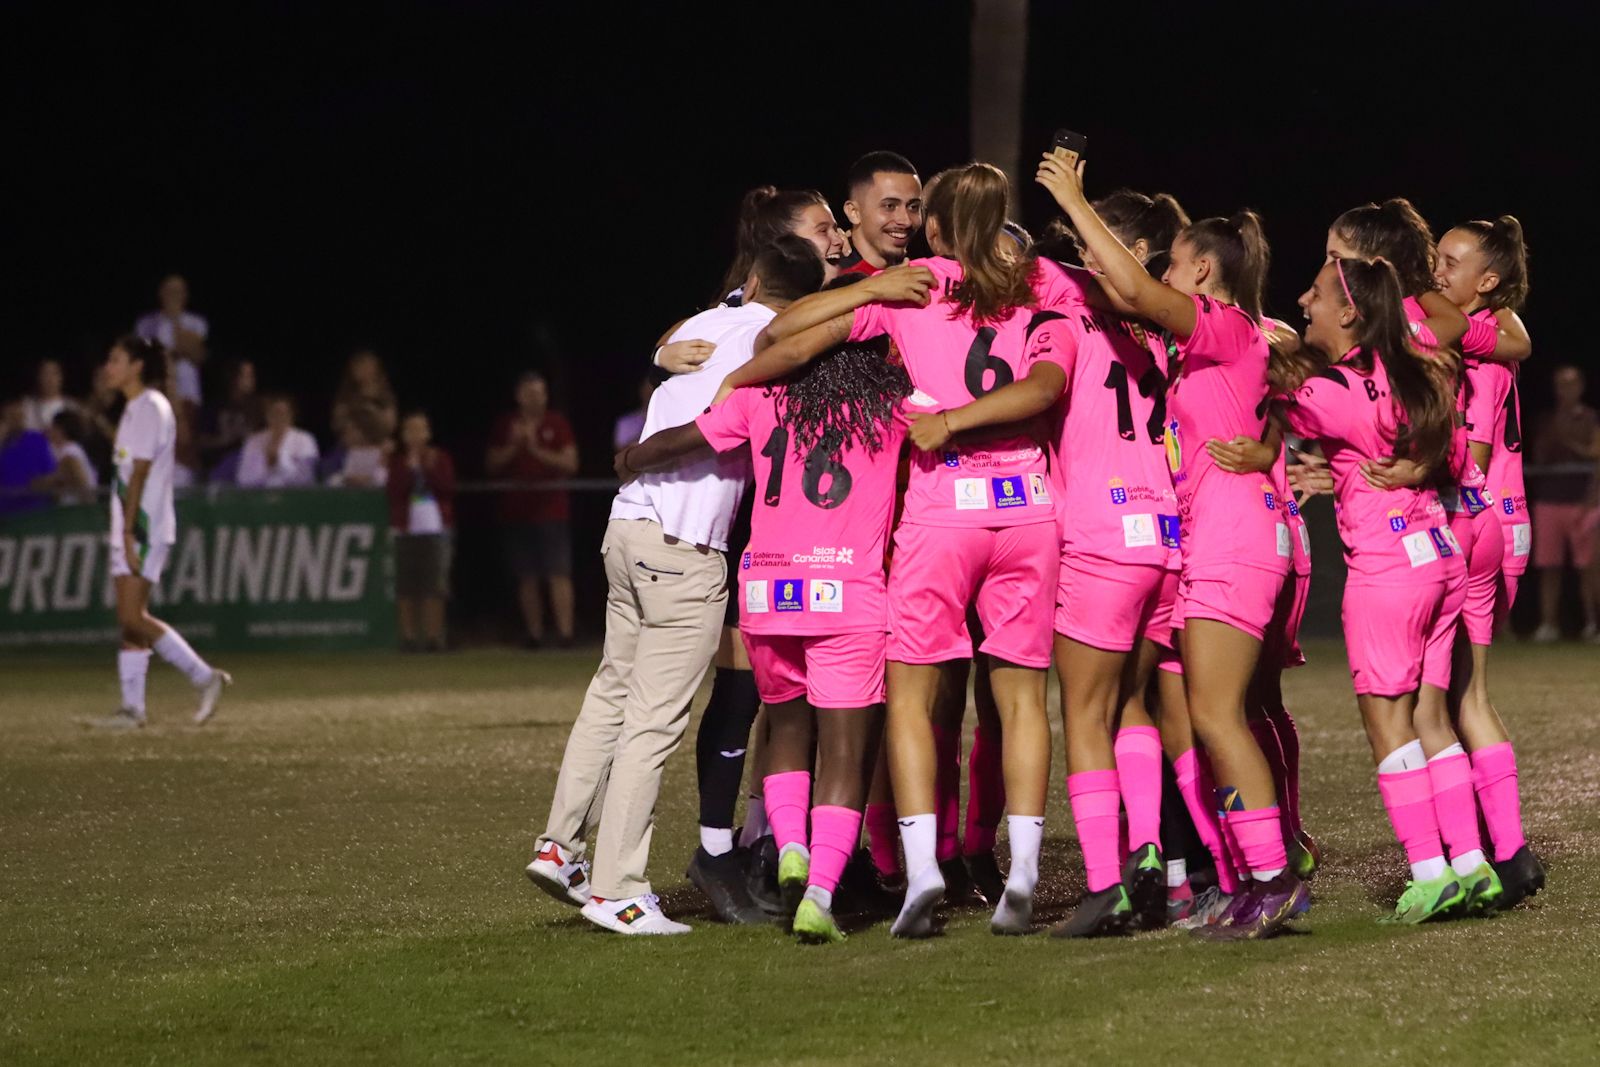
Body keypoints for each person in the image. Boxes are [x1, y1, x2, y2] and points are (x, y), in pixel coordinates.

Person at [730, 163, 1086, 938]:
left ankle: (918, 867)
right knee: (1021, 700)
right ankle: (1020, 869)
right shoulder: (1038, 289)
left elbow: (781, 335)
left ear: (933, 228)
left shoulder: (917, 284)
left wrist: (864, 293)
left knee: (913, 699)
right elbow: (1048, 385)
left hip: (941, 511)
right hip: (1028, 509)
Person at [1040, 150, 1308, 939]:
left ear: (1200, 269)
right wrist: (1273, 442)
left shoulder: (1221, 325)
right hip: (1213, 539)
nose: (1166, 272)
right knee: (1211, 714)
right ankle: (1248, 877)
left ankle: (1273, 879)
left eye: (1175, 263)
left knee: (1218, 715)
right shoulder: (1234, 341)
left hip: (1231, 543)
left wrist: (1075, 200)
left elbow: (1131, 288)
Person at [526, 236, 826, 935]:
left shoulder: (701, 325)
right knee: (653, 723)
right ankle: (618, 889)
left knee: (611, 692)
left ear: (751, 279)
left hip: (624, 530)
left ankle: (559, 846)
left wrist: (663, 353)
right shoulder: (779, 348)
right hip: (682, 548)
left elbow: (676, 340)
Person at [619, 306, 917, 943]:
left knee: (784, 726)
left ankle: (790, 848)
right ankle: (820, 892)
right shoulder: (892, 407)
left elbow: (684, 439)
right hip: (848, 592)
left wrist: (630, 458)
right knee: (845, 750)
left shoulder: (764, 400)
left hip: (769, 592)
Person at [1278, 257, 1502, 920]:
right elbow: (1446, 442)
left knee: (1387, 722)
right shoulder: (1410, 371)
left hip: (1387, 571)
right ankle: (1471, 863)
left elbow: (1260, 397)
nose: (1303, 299)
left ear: (1350, 312)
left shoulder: (1336, 387)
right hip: (1438, 557)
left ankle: (1430, 873)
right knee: (1432, 719)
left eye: (1315, 293)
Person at [1430, 216, 1547, 905]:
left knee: (1454, 696)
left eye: (1450, 260)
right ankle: (1500, 848)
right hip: (1502, 520)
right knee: (1461, 693)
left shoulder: (1482, 354)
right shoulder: (1497, 336)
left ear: (1489, 280)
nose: (1437, 269)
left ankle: (1492, 848)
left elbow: (1468, 459)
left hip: (1479, 519)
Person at [90, 336, 230, 729]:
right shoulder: (134, 409)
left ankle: (205, 677)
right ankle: (132, 710)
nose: (108, 366)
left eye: (115, 358)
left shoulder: (151, 406)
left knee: (133, 616)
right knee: (130, 620)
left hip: (145, 528)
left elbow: (140, 472)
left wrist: (132, 531)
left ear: (137, 366)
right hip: (131, 528)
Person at [486, 371, 579, 648]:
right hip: (516, 510)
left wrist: (536, 449)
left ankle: (565, 634)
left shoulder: (557, 423)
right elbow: (491, 465)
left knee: (558, 572)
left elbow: (571, 464)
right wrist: (515, 446)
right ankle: (534, 635)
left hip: (551, 509)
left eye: (539, 392)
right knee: (526, 575)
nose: (534, 398)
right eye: (528, 393)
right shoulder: (507, 425)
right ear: (518, 396)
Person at [1528, 365, 1599, 641]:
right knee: (1549, 566)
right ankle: (1548, 624)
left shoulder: (1591, 418)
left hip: (1583, 502)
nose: (1566, 390)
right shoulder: (1546, 420)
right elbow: (1540, 454)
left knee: (1590, 568)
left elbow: (1595, 453)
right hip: (1549, 500)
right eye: (1561, 384)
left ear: (1580, 386)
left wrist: (1568, 439)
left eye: (1571, 384)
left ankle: (1592, 624)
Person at [387, 411, 455, 653]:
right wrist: (409, 469)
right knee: (407, 585)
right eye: (411, 430)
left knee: (434, 585)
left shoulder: (440, 458)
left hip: (436, 527)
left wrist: (427, 468)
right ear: (404, 435)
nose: (416, 435)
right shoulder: (398, 462)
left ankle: (434, 637)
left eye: (420, 429)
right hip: (407, 529)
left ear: (428, 433)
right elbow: (394, 492)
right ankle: (408, 637)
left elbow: (447, 487)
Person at [837, 151, 924, 276]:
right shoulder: (831, 280)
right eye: (889, 206)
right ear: (854, 212)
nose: (906, 221)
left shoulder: (922, 274)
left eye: (913, 207)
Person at [134, 274, 208, 407]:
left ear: (186, 295)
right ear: (161, 293)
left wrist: (175, 321)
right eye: (170, 291)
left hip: (188, 396)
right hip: (156, 395)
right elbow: (145, 357)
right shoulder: (146, 324)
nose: (174, 295)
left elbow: (197, 355)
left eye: (179, 291)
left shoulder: (196, 323)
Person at [236, 395, 320, 488]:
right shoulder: (253, 442)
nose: (279, 418)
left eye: (283, 413)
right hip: (260, 496)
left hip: (294, 496)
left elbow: (305, 478)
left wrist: (279, 458)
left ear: (291, 415)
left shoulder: (305, 440)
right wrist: (267, 464)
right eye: (274, 413)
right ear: (267, 415)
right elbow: (243, 479)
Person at [199, 359, 263, 471]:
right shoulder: (216, 407)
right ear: (234, 378)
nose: (252, 380)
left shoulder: (257, 408)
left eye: (252, 375)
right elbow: (201, 442)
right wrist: (223, 440)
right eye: (247, 376)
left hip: (250, 466)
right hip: (220, 465)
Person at [1, 397, 57, 514]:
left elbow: (50, 476)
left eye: (20, 408)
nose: (19, 415)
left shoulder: (36, 439)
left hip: (36, 515)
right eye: (12, 411)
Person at [33, 409, 99, 505]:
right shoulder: (61, 451)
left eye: (53, 426)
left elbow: (83, 485)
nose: (49, 429)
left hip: (77, 510)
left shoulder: (70, 453)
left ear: (61, 430)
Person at [331, 350, 399, 443]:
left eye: (367, 366)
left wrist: (372, 412)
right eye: (359, 367)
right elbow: (337, 421)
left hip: (378, 443)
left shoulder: (385, 394)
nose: (364, 371)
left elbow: (390, 424)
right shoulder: (346, 393)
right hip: (351, 442)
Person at [23, 358, 79, 431]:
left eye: (54, 373)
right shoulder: (27, 407)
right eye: (46, 373)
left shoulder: (72, 408)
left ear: (61, 377)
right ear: (38, 377)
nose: (50, 379)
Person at [612, 376, 655, 451]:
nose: (650, 394)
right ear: (641, 391)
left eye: (653, 390)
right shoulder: (626, 422)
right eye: (648, 390)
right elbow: (621, 450)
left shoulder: (667, 419)